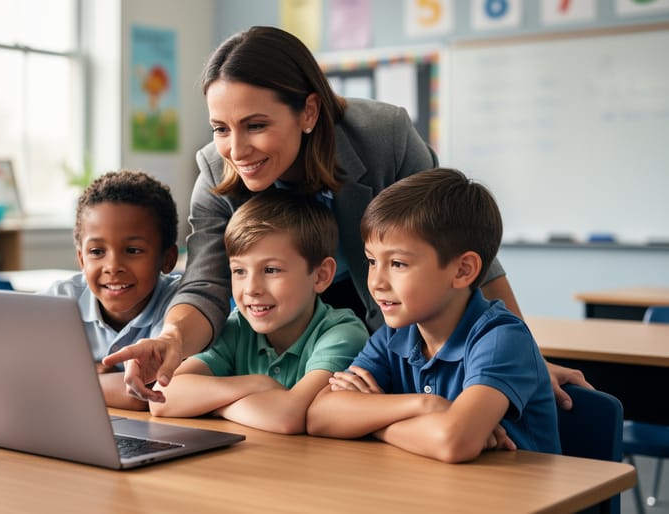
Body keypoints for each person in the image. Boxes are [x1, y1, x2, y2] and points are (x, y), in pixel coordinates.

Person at [103, 25, 589, 408]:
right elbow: (206, 282)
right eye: (220, 128)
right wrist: (171, 339)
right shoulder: (216, 166)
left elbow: (469, 254)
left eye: (256, 125)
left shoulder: (383, 137)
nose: (236, 149)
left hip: (379, 325)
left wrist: (525, 358)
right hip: (292, 333)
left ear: (309, 111)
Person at [306, 168, 560, 462]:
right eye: (372, 261)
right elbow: (320, 416)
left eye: (398, 264)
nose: (375, 282)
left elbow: (453, 441)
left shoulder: (501, 338)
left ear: (463, 270)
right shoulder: (394, 336)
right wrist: (425, 406)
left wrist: (373, 421)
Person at [149, 189, 367, 433]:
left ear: (321, 275)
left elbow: (287, 417)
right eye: (239, 271)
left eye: (271, 270)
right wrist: (258, 384)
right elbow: (161, 397)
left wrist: (211, 405)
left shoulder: (343, 333)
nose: (251, 289)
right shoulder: (236, 327)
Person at [41, 170, 180, 410]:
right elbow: (17, 373)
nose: (113, 267)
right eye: (96, 252)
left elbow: (147, 395)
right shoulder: (58, 300)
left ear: (167, 259)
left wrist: (75, 378)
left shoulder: (181, 307)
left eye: (133, 250)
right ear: (81, 259)